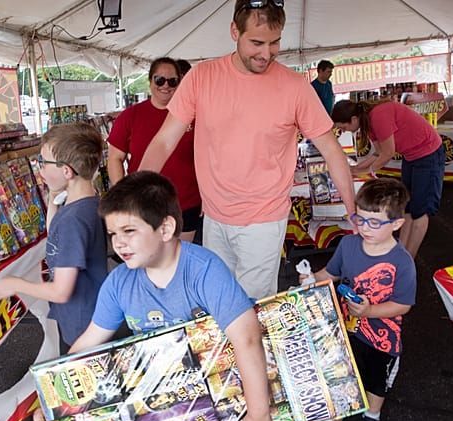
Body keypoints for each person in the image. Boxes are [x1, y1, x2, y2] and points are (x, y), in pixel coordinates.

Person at [33, 171, 275, 421]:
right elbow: (86, 345)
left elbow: (247, 338)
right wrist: (48, 403)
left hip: (223, 391)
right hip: (165, 399)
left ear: (165, 229)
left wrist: (259, 415)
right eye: (112, 234)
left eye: (129, 231)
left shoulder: (204, 270)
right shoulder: (119, 283)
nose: (118, 243)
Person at [139, 0, 355, 300]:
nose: (266, 54)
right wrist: (133, 197)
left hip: (264, 221)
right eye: (256, 43)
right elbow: (164, 141)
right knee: (217, 299)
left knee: (251, 306)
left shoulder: (295, 87)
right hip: (214, 218)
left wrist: (353, 211)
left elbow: (331, 151)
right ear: (234, 31)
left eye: (274, 42)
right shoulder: (201, 77)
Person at [300, 178, 416, 421]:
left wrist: (370, 310)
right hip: (345, 329)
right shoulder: (348, 245)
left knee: (376, 381)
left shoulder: (402, 261)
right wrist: (310, 279)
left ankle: (372, 418)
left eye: (374, 222)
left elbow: (403, 304)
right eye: (360, 219)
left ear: (397, 224)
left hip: (382, 338)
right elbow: (330, 274)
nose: (364, 228)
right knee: (340, 374)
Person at [0, 123, 107, 354]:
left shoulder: (74, 221)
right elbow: (55, 233)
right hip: (87, 315)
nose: (40, 170)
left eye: (43, 163)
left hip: (81, 326)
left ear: (66, 171)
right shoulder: (85, 204)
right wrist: (53, 197)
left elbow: (61, 291)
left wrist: (15, 284)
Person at [332, 99, 444, 258]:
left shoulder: (378, 116)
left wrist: (367, 171)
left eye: (344, 128)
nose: (344, 131)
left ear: (354, 119)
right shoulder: (368, 122)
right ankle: (400, 254)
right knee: (408, 207)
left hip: (428, 153)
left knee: (420, 211)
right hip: (411, 156)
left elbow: (388, 153)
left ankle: (408, 260)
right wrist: (356, 169)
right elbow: (378, 153)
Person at [106, 57, 202, 242]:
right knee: (148, 254)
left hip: (187, 203)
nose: (165, 85)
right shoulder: (130, 116)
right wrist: (122, 195)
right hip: (143, 204)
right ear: (150, 81)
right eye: (159, 80)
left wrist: (207, 196)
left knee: (181, 255)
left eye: (172, 81)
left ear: (180, 82)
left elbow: (206, 157)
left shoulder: (195, 116)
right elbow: (115, 158)